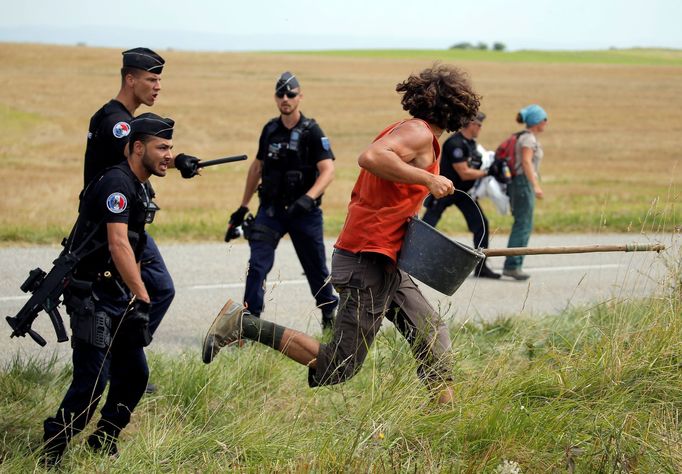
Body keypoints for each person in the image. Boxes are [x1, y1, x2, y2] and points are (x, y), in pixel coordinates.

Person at [205, 64, 481, 404]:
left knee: (430, 331)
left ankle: (444, 420)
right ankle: (242, 324)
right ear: (455, 107)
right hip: (367, 259)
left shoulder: (416, 133)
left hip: (387, 258)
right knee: (340, 365)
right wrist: (428, 179)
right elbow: (370, 157)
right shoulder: (419, 133)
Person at [42, 113, 176, 466]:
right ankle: (51, 450)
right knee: (92, 382)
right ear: (136, 148)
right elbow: (119, 244)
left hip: (115, 293)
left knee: (135, 375)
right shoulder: (117, 185)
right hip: (90, 296)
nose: (168, 155)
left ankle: (103, 439)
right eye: (161, 147)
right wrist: (143, 296)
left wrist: (133, 295)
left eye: (170, 148)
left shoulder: (139, 183)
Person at [83, 48, 200, 390]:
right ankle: (121, 363)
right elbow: (139, 148)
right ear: (130, 79)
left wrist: (179, 161)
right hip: (108, 228)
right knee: (152, 289)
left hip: (124, 224)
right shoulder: (116, 121)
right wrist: (176, 161)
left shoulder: (122, 118)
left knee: (157, 288)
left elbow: (145, 148)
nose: (158, 86)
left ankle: (123, 362)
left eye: (160, 79)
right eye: (152, 79)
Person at [225, 71, 338, 330]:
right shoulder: (270, 129)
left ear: (300, 97)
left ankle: (330, 313)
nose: (285, 99)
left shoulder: (312, 131)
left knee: (316, 269)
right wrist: (243, 207)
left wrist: (309, 199)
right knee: (257, 266)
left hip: (304, 213)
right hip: (271, 211)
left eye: (291, 94)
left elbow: (328, 169)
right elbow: (257, 167)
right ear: (275, 98)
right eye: (280, 94)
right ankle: (250, 322)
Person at [422, 112, 502, 278]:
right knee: (427, 226)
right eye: (479, 125)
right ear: (471, 124)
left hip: (463, 192)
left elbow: (477, 164)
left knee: (481, 224)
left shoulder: (471, 144)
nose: (480, 128)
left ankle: (481, 267)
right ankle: (413, 258)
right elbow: (464, 172)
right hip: (445, 190)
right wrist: (487, 172)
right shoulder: (455, 144)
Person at [502, 104, 549, 280]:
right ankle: (513, 265)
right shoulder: (528, 139)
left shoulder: (524, 137)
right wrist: (535, 185)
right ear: (537, 121)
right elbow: (527, 163)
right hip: (523, 183)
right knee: (523, 224)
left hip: (519, 183)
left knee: (522, 223)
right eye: (544, 119)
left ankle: (514, 263)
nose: (546, 122)